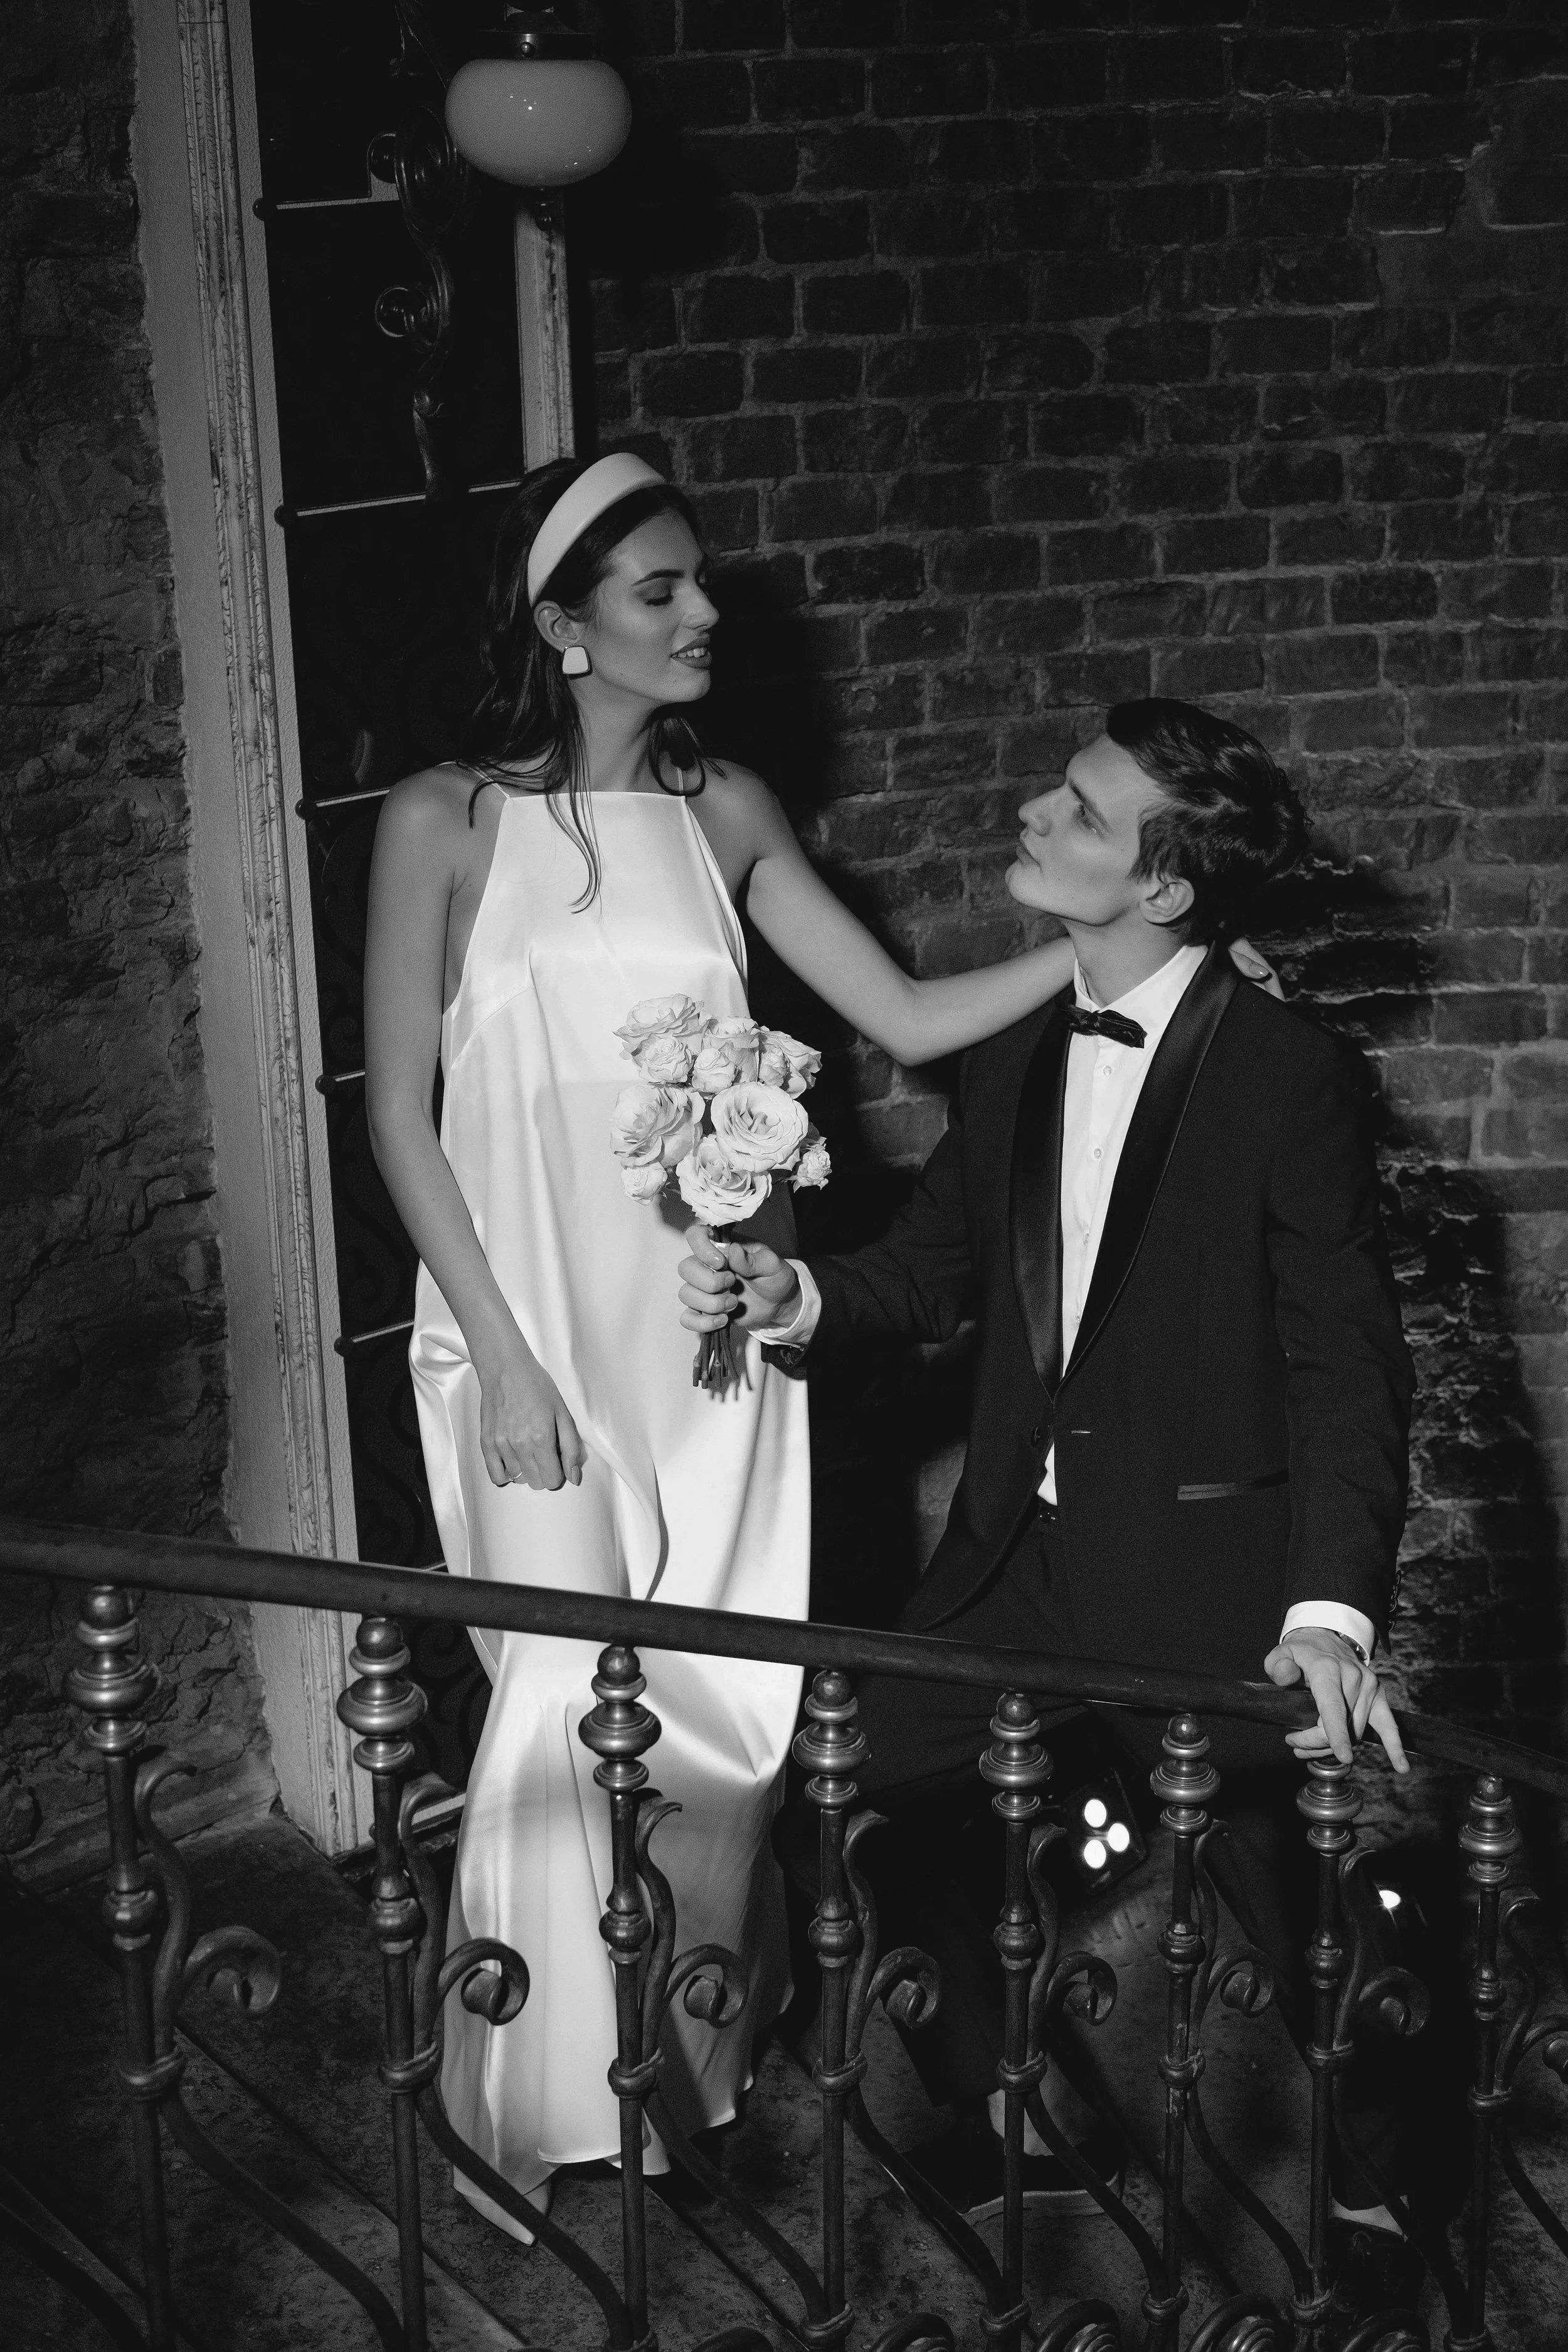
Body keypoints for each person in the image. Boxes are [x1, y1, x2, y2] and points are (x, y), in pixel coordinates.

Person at [363, 462, 1276, 2237]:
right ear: (561, 631)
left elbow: (911, 1014)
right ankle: (532, 2108)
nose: (702, 617)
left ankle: (683, 2064)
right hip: (526, 1334)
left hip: (714, 1347)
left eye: (697, 585)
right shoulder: (444, 819)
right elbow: (400, 1117)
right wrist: (504, 1352)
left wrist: (1123, 942)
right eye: (657, 595)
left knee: (718, 1716)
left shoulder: (726, 814)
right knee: (563, 1711)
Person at [679, 699, 1421, 2325]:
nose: (1032, 812)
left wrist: (1327, 1611)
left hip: (1205, 1582)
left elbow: (1344, 1364)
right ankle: (996, 2087)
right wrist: (793, 1292)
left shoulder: (1288, 1074)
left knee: (1302, 1911)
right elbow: (933, 1271)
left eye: (1078, 813)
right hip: (1012, 1562)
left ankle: (1367, 2199)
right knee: (847, 1775)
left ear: (1160, 888)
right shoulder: (1014, 1050)